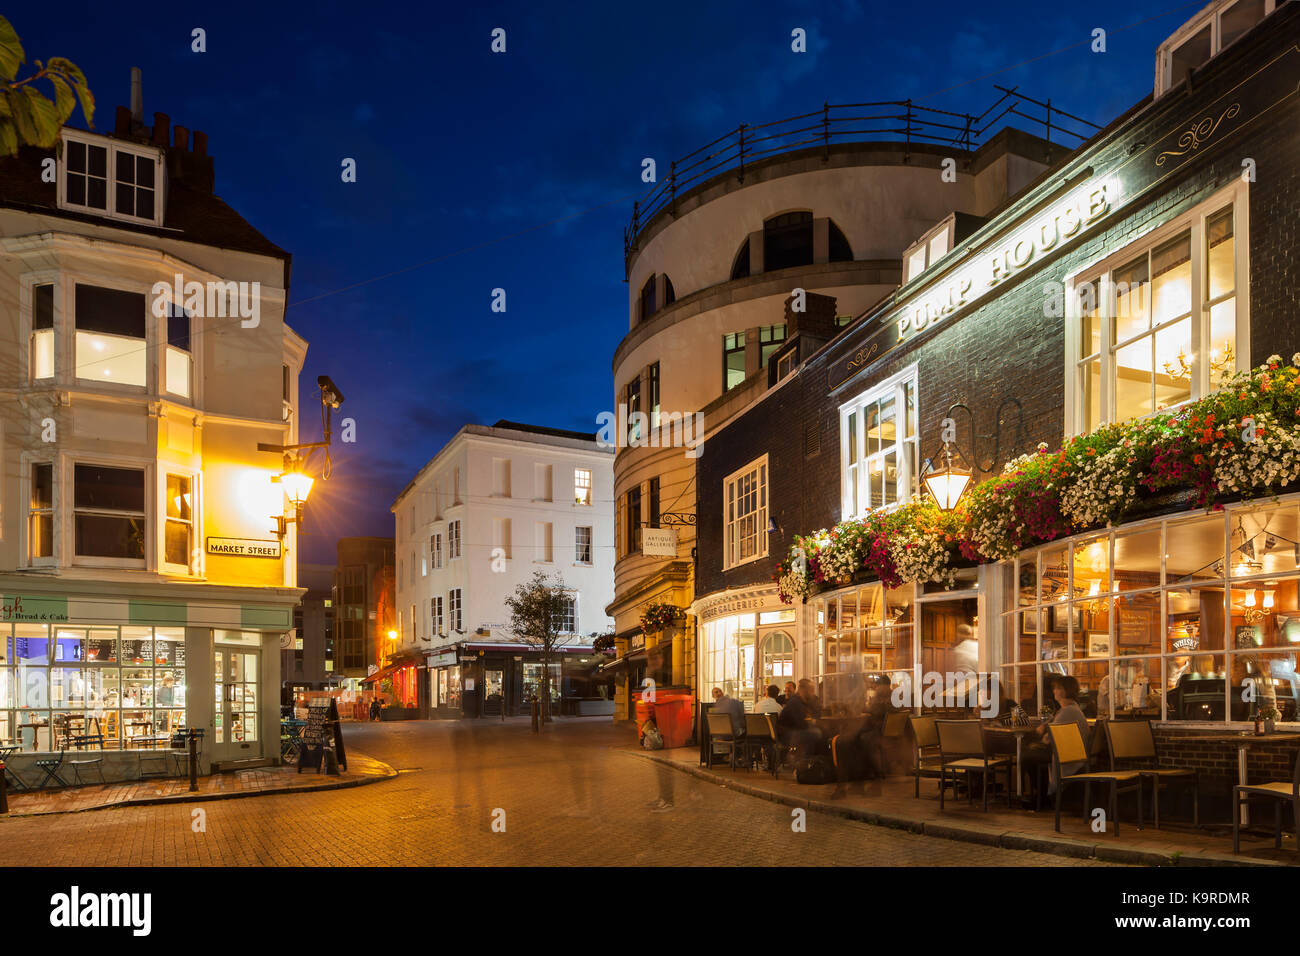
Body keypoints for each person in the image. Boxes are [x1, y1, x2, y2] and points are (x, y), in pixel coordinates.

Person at [777, 678, 823, 758]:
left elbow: (816, 713)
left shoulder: (805, 701)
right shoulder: (795, 702)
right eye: (811, 690)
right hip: (787, 734)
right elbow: (801, 724)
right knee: (816, 733)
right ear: (804, 690)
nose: (813, 692)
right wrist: (812, 722)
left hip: (794, 731)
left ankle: (807, 760)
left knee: (816, 733)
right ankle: (805, 760)